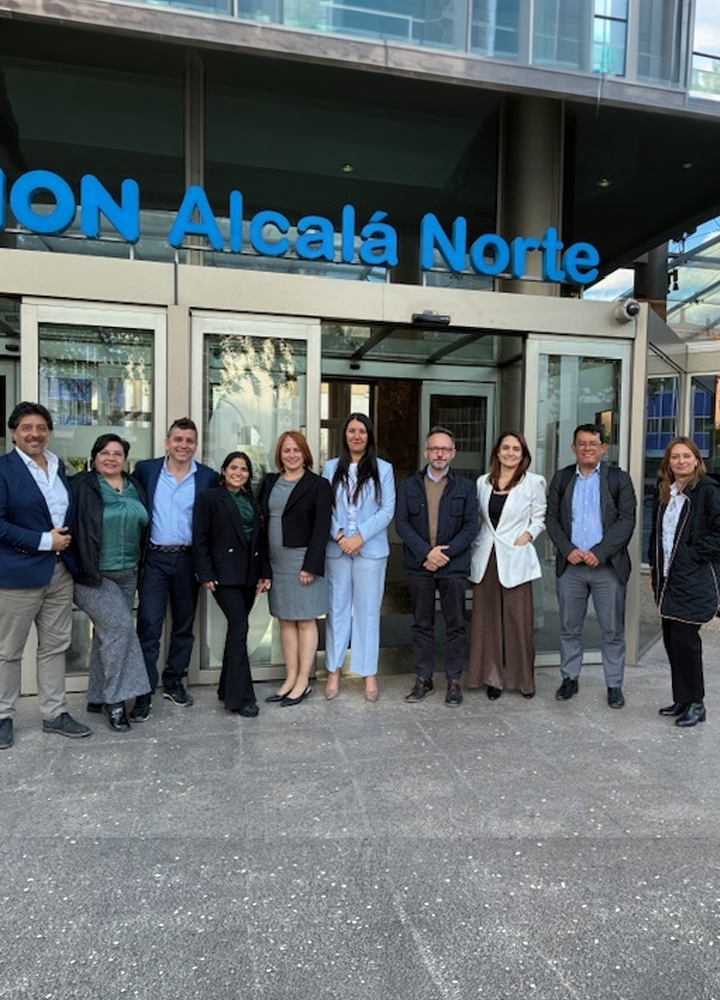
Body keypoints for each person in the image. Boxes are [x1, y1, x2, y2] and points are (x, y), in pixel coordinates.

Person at [0, 401, 91, 750]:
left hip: (58, 571)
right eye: (26, 428)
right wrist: (43, 540)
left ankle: (55, 713)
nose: (34, 434)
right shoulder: (4, 470)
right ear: (14, 433)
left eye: (40, 428)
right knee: (8, 650)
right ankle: (3, 716)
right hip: (18, 574)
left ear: (48, 432)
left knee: (55, 647)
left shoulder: (58, 466)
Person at [546, 423, 637, 709]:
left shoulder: (618, 479)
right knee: (569, 627)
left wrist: (601, 551)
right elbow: (551, 519)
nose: (587, 448)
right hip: (571, 566)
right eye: (581, 443)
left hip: (607, 567)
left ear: (603, 448)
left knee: (612, 630)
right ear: (574, 448)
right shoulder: (561, 479)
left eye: (593, 443)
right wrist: (567, 549)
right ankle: (569, 678)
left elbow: (627, 521)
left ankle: (614, 685)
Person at [133, 417, 218, 720]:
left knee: (184, 625)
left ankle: (174, 681)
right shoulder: (146, 470)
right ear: (167, 442)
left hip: (187, 560)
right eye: (178, 439)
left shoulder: (207, 477)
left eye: (189, 441)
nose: (183, 445)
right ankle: (143, 691)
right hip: (154, 559)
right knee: (148, 626)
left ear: (195, 445)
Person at [70, 434, 151, 732]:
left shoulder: (135, 487)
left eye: (117, 454)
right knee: (119, 629)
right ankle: (116, 700)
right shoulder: (81, 485)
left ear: (125, 459)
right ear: (94, 456)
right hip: (92, 575)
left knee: (109, 635)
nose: (111, 458)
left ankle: (96, 695)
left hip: (128, 572)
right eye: (105, 453)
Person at [395, 426, 478, 707]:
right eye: (434, 448)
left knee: (455, 625)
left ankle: (454, 682)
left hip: (453, 567)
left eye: (444, 449)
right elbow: (402, 524)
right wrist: (426, 553)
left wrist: (445, 553)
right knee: (422, 625)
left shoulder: (466, 487)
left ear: (453, 453)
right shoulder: (409, 485)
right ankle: (423, 678)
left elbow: (471, 527)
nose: (439, 453)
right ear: (426, 452)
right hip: (420, 566)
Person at [192, 451, 271, 719]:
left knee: (236, 632)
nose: (239, 473)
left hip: (249, 576)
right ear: (224, 471)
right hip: (223, 576)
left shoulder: (252, 500)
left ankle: (227, 688)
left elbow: (260, 542)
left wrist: (264, 573)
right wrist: (205, 572)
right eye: (233, 467)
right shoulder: (209, 498)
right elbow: (200, 537)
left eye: (244, 469)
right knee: (239, 626)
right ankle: (241, 698)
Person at [468, 430, 546, 699]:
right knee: (486, 621)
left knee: (517, 621)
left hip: (515, 556)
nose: (510, 453)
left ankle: (523, 680)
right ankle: (492, 678)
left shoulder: (533, 482)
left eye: (516, 449)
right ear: (497, 452)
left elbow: (540, 517)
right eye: (506, 448)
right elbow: (477, 520)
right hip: (486, 557)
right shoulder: (482, 482)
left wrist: (528, 535)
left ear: (523, 454)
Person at [322, 414, 395, 702]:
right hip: (337, 549)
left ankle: (368, 672)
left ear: (369, 436)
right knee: (337, 610)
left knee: (367, 612)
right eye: (351, 430)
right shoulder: (329, 468)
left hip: (370, 550)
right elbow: (323, 507)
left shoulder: (383, 469)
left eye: (362, 431)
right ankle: (333, 670)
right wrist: (340, 536)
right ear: (345, 435)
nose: (356, 436)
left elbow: (387, 510)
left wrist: (359, 536)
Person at [648, 437, 720, 727]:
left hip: (694, 577)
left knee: (686, 642)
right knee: (671, 640)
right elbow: (657, 537)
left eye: (686, 456)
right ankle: (682, 698)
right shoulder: (666, 492)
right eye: (675, 457)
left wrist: (692, 555)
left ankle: (697, 704)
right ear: (668, 462)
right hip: (668, 578)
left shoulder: (707, 491)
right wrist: (655, 571)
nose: (681, 461)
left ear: (696, 460)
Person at [258, 431, 332, 707]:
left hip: (302, 562)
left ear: (305, 454)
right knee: (285, 620)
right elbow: (262, 522)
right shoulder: (269, 482)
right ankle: (290, 678)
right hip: (276, 562)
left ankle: (303, 681)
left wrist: (310, 565)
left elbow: (321, 527)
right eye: (286, 451)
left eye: (296, 450)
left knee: (305, 620)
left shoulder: (318, 485)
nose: (291, 455)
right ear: (280, 454)